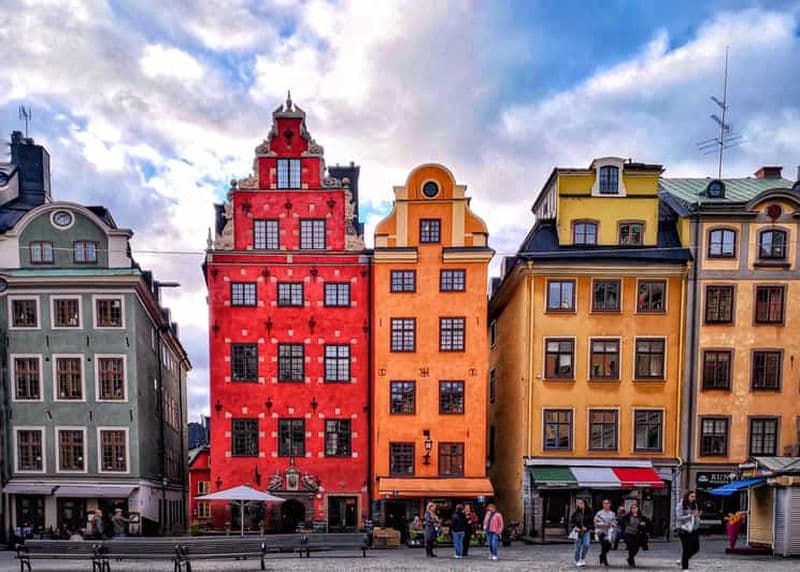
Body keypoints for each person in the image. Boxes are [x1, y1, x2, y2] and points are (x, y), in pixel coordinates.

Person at [676, 490, 701, 570]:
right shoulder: (681, 505)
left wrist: (697, 519)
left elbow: (695, 516)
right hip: (683, 529)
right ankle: (685, 567)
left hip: (693, 528)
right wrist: (690, 515)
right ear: (687, 497)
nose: (693, 498)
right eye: (692, 496)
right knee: (686, 548)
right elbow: (679, 517)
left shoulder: (694, 505)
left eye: (694, 497)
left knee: (696, 548)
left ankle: (684, 559)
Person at [622, 503, 650, 568]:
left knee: (636, 548)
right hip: (629, 533)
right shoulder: (627, 516)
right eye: (633, 508)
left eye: (635, 508)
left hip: (637, 534)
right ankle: (631, 560)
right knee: (630, 547)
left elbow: (646, 523)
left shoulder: (641, 517)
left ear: (638, 509)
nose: (634, 509)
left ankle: (630, 558)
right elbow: (622, 521)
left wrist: (643, 525)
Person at [569, 498, 593, 568]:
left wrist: (587, 527)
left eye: (581, 503)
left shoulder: (589, 513)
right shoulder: (575, 513)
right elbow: (571, 522)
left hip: (586, 531)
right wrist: (575, 527)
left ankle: (582, 558)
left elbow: (592, 523)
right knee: (578, 547)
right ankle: (577, 560)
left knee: (586, 545)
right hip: (577, 532)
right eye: (579, 503)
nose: (580, 505)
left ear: (585, 504)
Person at [594, 499, 617, 567]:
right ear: (602, 504)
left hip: (609, 532)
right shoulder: (599, 513)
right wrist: (603, 524)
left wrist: (612, 524)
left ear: (610, 504)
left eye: (607, 503)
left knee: (609, 546)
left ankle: (602, 555)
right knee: (604, 544)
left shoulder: (612, 513)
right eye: (604, 503)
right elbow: (595, 521)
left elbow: (615, 521)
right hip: (601, 531)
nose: (606, 505)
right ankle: (604, 559)